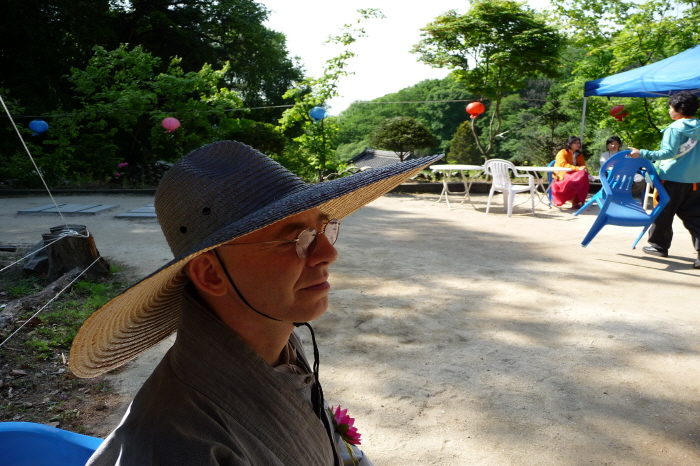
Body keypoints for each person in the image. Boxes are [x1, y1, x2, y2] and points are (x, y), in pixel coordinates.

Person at [69, 141, 443, 465]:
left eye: (324, 228)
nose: (328, 253)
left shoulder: (275, 336)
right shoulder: (178, 442)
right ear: (211, 274)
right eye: (297, 239)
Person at [629, 91, 700, 269]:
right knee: (695, 217)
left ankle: (658, 245)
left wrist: (642, 153)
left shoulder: (675, 128)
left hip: (671, 178)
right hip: (695, 180)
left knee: (663, 212)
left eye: (670, 107)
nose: (669, 111)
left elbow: (668, 153)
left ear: (679, 109)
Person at [551, 136, 590, 209]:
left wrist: (584, 168)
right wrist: (578, 168)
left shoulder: (579, 154)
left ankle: (577, 201)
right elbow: (564, 165)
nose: (578, 145)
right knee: (577, 179)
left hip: (575, 174)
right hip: (562, 173)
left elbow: (582, 164)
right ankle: (574, 201)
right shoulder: (562, 152)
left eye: (579, 143)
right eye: (576, 143)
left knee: (583, 175)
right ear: (569, 144)